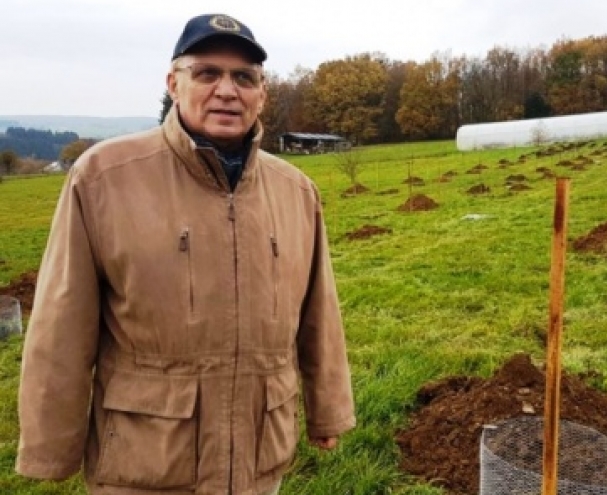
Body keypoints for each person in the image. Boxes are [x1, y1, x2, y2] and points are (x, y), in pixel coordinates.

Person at [16, 13, 355, 495]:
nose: (227, 90)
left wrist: (329, 408)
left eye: (244, 77)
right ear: (173, 84)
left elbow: (319, 311)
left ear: (262, 94)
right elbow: (61, 325)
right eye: (207, 73)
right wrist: (51, 446)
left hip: (260, 458)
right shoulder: (104, 177)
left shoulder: (295, 190)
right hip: (148, 461)